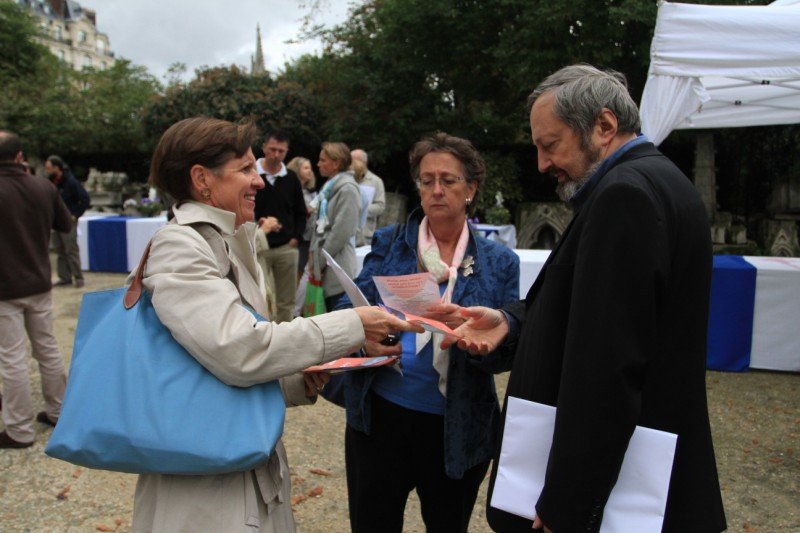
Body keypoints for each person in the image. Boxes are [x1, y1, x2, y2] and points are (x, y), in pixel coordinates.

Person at [442, 65, 726, 532]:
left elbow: (608, 369)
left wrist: (566, 507)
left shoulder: (624, 196)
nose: (541, 163)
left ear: (605, 126)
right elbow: (595, 310)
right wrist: (512, 323)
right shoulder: (660, 181)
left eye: (549, 145)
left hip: (616, 500)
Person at [132, 117, 420, 531]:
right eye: (245, 170)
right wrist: (353, 324)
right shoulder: (181, 245)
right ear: (201, 179)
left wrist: (300, 374)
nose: (260, 182)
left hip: (231, 464)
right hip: (205, 490)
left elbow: (211, 362)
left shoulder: (226, 239)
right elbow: (239, 350)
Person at [334, 133, 520, 533]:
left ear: (471, 189)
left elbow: (506, 351)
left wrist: (476, 341)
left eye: (448, 180)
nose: (436, 190)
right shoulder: (390, 244)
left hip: (456, 426)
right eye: (426, 179)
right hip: (380, 416)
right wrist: (372, 334)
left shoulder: (499, 262)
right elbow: (347, 309)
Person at [0, 131, 72, 448]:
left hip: (5, 288)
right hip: (39, 281)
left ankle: (19, 430)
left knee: (12, 358)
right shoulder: (43, 186)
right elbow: (66, 224)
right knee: (47, 349)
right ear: (20, 156)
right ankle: (58, 411)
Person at [253, 131, 307, 322]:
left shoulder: (291, 178)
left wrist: (296, 238)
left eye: (281, 151)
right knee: (260, 297)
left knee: (286, 300)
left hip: (286, 246)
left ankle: (286, 338)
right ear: (264, 147)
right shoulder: (252, 174)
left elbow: (301, 212)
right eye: (273, 149)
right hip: (258, 246)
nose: (276, 155)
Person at [309, 142, 363, 311]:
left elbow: (341, 232)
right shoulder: (329, 188)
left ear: (336, 163)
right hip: (327, 265)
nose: (318, 164)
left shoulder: (347, 189)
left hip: (337, 268)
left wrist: (320, 261)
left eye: (322, 160)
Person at [45, 155, 89, 288]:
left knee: (71, 249)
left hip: (68, 220)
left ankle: (78, 277)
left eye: (49, 168)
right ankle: (64, 277)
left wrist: (75, 214)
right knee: (59, 249)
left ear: (56, 168)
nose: (47, 171)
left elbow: (84, 199)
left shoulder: (71, 182)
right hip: (55, 220)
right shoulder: (51, 182)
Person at [286, 156, 317, 277]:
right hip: (294, 238)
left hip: (308, 238)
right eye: (306, 168)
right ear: (296, 170)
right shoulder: (290, 191)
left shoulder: (310, 191)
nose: (310, 171)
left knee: (300, 273)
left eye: (310, 168)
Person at [350, 148, 386, 246]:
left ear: (365, 162)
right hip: (348, 233)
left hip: (365, 234)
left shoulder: (376, 181)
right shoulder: (347, 179)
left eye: (355, 161)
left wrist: (361, 208)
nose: (352, 164)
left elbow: (380, 206)